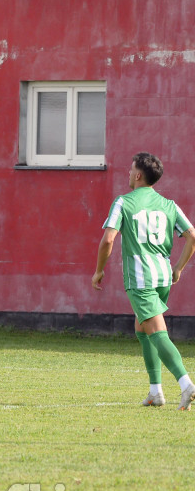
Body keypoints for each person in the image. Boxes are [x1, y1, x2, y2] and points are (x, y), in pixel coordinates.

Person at [92, 152, 195, 410]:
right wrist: (179, 268)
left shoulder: (123, 202)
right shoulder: (169, 204)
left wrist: (98, 271)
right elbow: (192, 235)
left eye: (130, 170)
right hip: (162, 277)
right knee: (142, 330)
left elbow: (108, 239)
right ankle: (155, 392)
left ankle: (186, 385)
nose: (128, 173)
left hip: (141, 280)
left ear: (138, 175)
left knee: (157, 333)